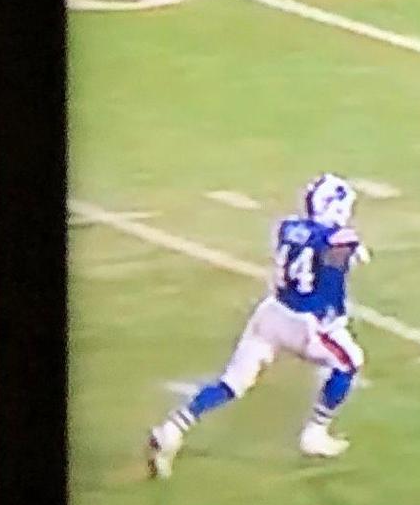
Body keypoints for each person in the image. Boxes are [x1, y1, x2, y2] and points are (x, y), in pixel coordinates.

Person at [144, 175, 367, 476]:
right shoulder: (339, 240)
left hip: (271, 314)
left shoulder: (288, 227)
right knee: (350, 362)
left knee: (232, 382)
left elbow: (310, 248)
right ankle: (315, 432)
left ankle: (172, 428)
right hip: (305, 325)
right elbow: (334, 274)